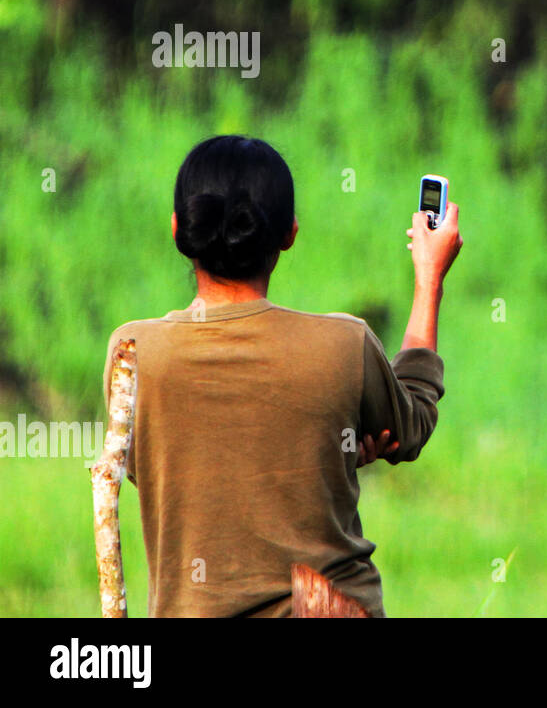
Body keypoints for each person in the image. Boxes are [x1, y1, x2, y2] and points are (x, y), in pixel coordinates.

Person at [101, 135, 462, 616]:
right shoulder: (342, 346)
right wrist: (429, 280)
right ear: (289, 233)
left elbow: (164, 471)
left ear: (178, 229)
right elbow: (410, 425)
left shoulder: (133, 352)